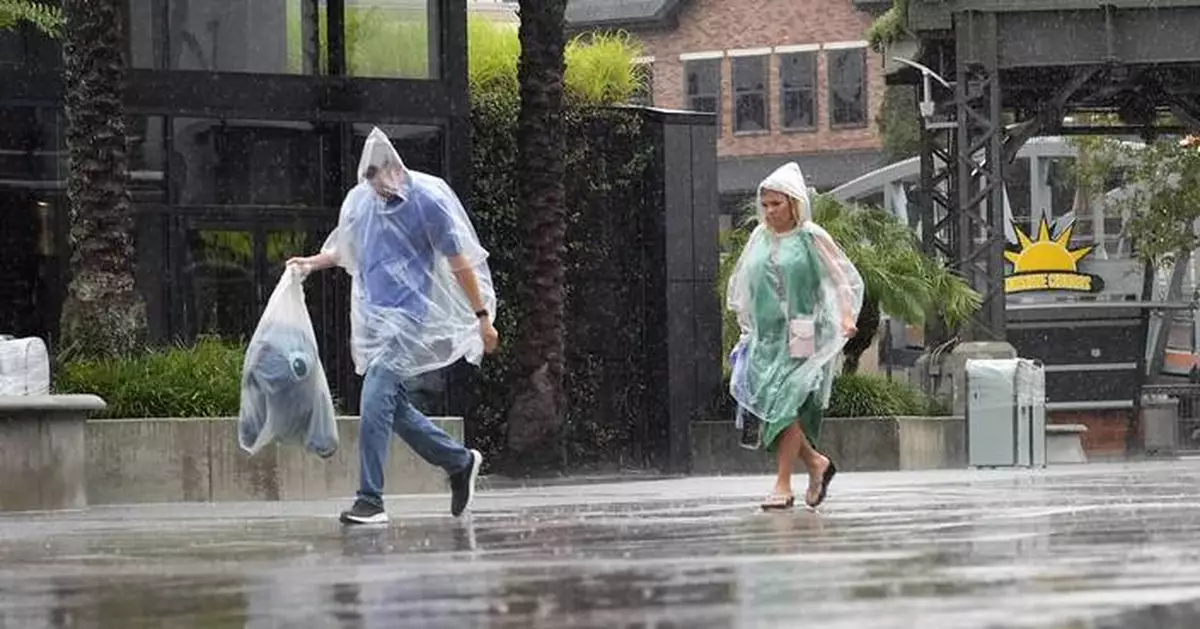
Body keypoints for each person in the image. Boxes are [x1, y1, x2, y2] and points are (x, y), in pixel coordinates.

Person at [287, 127, 499, 525]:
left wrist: (482, 317)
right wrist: (309, 263)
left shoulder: (428, 202)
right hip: (373, 321)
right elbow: (344, 250)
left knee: (373, 400)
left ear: (396, 168)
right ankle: (459, 461)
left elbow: (459, 264)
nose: (379, 190)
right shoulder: (361, 203)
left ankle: (370, 499)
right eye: (371, 182)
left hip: (407, 320)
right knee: (392, 408)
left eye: (382, 180)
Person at [726, 162, 864, 511]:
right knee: (773, 408)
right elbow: (743, 285)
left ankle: (783, 484)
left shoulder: (810, 236)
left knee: (786, 403)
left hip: (803, 332)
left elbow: (841, 279)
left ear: (794, 204)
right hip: (765, 336)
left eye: (777, 204)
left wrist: (846, 317)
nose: (770, 211)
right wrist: (746, 330)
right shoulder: (758, 237)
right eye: (766, 205)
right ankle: (817, 463)